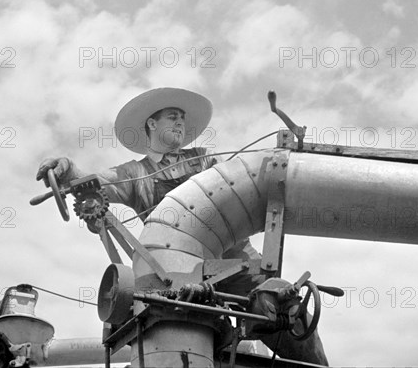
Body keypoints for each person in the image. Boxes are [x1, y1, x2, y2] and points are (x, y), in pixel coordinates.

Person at [36, 87, 328, 365]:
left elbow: (248, 181)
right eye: (172, 117)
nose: (180, 123)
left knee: (284, 309)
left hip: (237, 265)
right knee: (171, 334)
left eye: (182, 119)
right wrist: (69, 170)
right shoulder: (136, 174)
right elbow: (100, 181)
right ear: (152, 123)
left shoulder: (206, 159)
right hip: (176, 274)